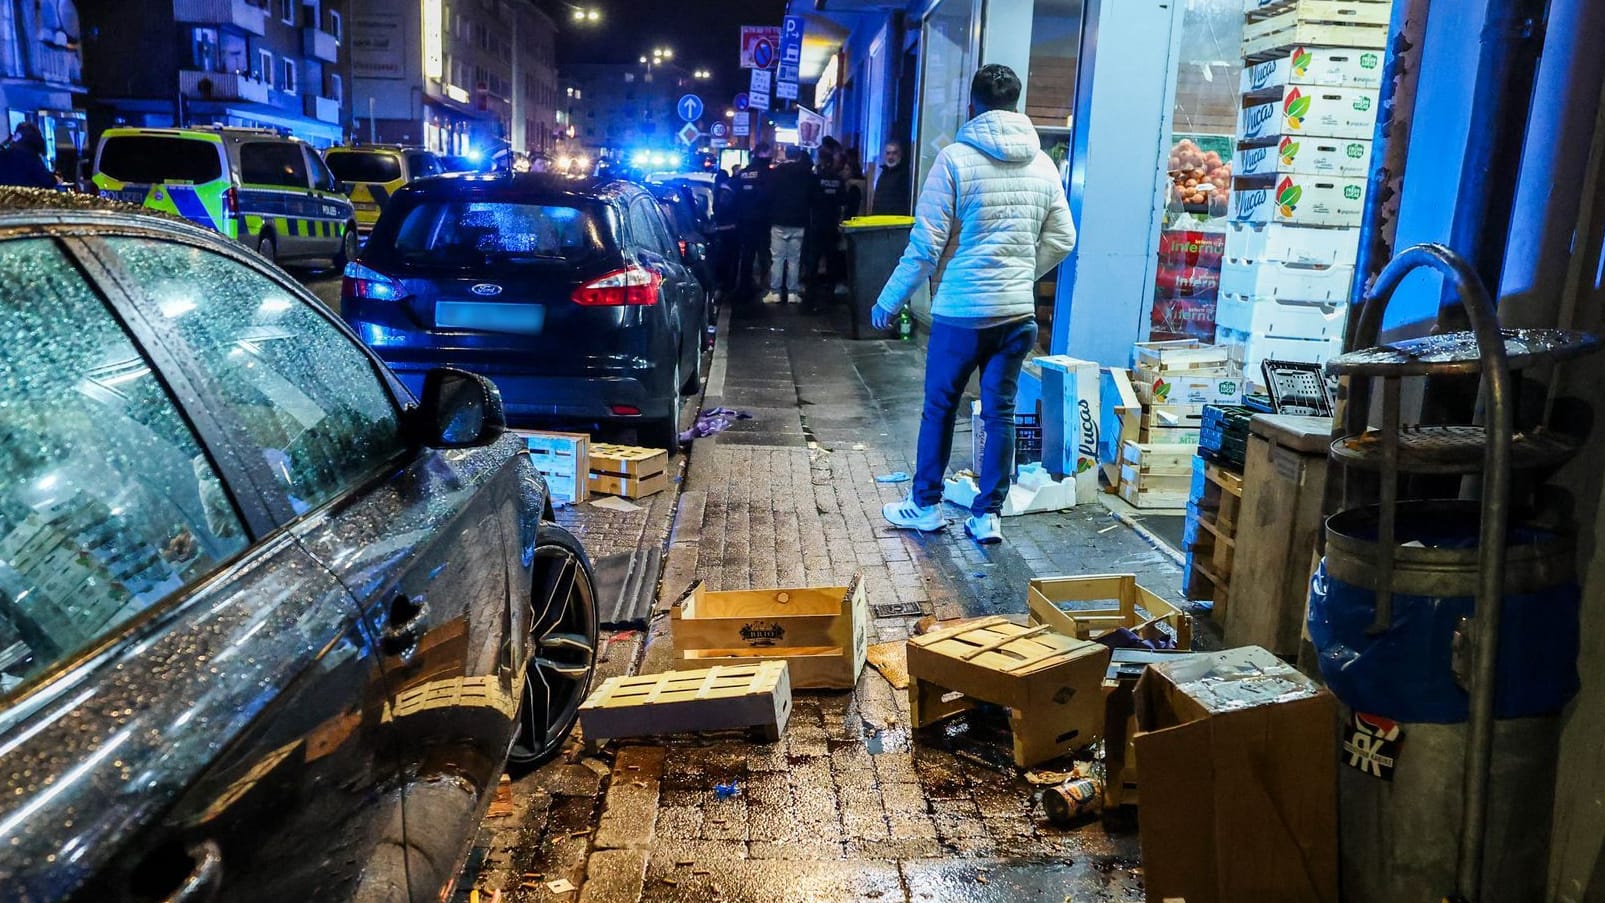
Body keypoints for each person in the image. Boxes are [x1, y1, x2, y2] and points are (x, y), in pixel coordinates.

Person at [871, 64, 1076, 545]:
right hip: (1015, 315)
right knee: (999, 411)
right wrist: (1022, 273)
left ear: (972, 106)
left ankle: (925, 505)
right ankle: (988, 516)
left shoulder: (955, 160)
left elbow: (925, 246)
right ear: (1017, 104)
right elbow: (1064, 238)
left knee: (939, 407)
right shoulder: (1043, 163)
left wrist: (888, 301)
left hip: (962, 312)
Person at [802, 143, 850, 313]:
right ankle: (829, 294)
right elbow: (843, 201)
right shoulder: (838, 179)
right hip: (831, 224)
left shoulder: (815, 178)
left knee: (813, 262)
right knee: (831, 261)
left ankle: (810, 296)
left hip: (816, 224)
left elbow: (807, 199)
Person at [764, 145, 814, 304]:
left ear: (785, 155)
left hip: (779, 221)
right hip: (799, 221)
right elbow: (813, 196)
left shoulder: (777, 173)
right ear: (799, 156)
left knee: (777, 258)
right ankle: (793, 292)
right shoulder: (807, 174)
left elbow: (768, 194)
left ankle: (775, 292)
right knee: (794, 259)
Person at [733, 143, 774, 303]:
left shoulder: (743, 173)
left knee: (747, 255)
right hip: (762, 220)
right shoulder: (766, 174)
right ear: (763, 153)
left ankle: (745, 285)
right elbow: (769, 196)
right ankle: (766, 285)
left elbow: (735, 196)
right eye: (769, 152)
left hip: (744, 220)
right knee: (765, 253)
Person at [0, 123, 57, 190]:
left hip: (6, 197)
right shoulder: (31, 155)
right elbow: (46, 180)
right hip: (27, 197)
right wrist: (55, 179)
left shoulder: (4, 152)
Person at [871, 139, 911, 216]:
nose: (890, 157)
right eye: (888, 153)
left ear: (900, 154)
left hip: (896, 221)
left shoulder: (905, 175)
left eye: (894, 153)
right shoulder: (883, 173)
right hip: (879, 219)